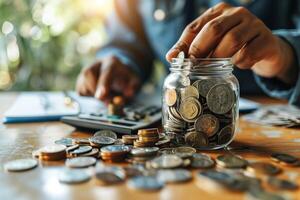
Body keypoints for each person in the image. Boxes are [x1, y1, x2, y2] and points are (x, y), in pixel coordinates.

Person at [76, 0, 300, 106]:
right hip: (174, 110)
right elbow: (125, 39)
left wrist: (285, 55)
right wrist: (121, 63)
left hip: (275, 114)